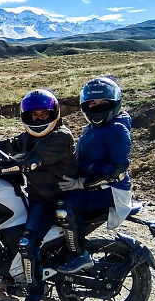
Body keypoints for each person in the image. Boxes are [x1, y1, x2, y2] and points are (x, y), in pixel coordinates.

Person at [0, 89, 78, 301]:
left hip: (55, 201)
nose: (39, 118)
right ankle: (7, 277)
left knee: (27, 244)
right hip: (39, 197)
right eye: (34, 114)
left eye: (44, 113)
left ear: (54, 114)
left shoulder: (61, 137)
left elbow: (28, 162)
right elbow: (12, 145)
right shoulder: (32, 136)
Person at [56, 76, 133, 273]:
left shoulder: (116, 129)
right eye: (92, 102)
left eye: (103, 102)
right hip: (95, 185)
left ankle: (78, 255)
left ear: (114, 103)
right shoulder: (92, 128)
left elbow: (118, 168)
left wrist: (82, 182)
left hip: (110, 189)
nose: (97, 106)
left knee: (64, 207)